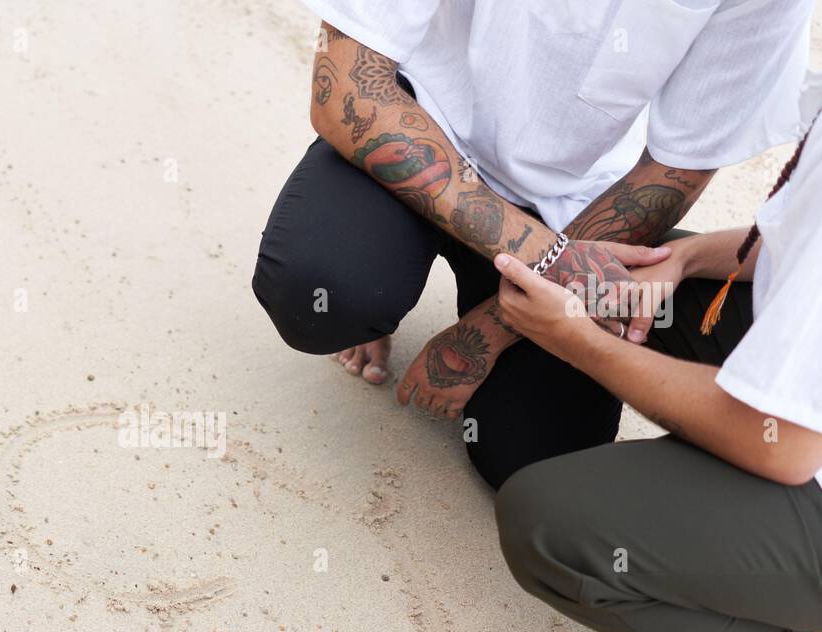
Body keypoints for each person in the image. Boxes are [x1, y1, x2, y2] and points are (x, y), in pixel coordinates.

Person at [251, 1, 813, 489]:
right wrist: (545, 262)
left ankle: (445, 293)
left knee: (534, 459)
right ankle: (380, 292)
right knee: (322, 292)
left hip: (570, 205)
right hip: (417, 132)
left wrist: (487, 331)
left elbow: (674, 170)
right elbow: (346, 84)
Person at [493, 113, 822, 632]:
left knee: (552, 525)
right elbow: (800, 242)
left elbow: (786, 445)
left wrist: (581, 342)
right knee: (620, 276)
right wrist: (691, 259)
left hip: (802, 453)